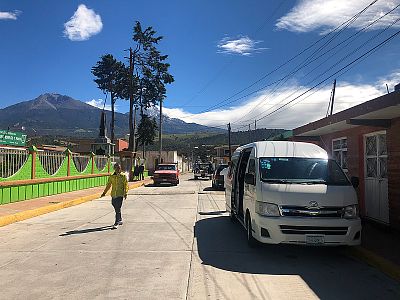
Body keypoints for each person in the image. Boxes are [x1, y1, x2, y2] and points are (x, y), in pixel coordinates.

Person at [101, 163, 128, 229]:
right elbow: (108, 185)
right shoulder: (112, 176)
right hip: (113, 194)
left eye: (119, 168)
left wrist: (125, 193)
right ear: (114, 169)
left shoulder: (123, 176)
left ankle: (116, 222)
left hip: (120, 194)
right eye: (116, 168)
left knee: (117, 208)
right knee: (114, 204)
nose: (118, 169)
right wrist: (104, 192)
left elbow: (126, 185)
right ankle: (120, 219)